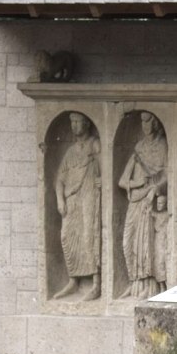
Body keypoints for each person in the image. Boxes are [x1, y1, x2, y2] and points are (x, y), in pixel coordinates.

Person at [118, 112, 167, 299]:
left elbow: (167, 174)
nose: (145, 126)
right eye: (142, 122)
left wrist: (154, 189)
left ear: (154, 124)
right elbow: (122, 180)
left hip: (150, 200)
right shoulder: (139, 148)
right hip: (135, 200)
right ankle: (133, 282)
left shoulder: (162, 146)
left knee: (146, 243)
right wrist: (138, 184)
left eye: (148, 122)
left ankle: (148, 285)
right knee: (127, 242)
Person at [53, 113, 101, 301]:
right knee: (67, 236)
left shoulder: (94, 145)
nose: (74, 126)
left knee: (90, 235)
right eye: (72, 122)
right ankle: (74, 280)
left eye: (77, 122)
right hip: (71, 199)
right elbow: (60, 179)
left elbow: (106, 167)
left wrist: (101, 179)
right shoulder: (71, 151)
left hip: (88, 195)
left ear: (87, 124)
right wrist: (60, 200)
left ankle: (96, 283)